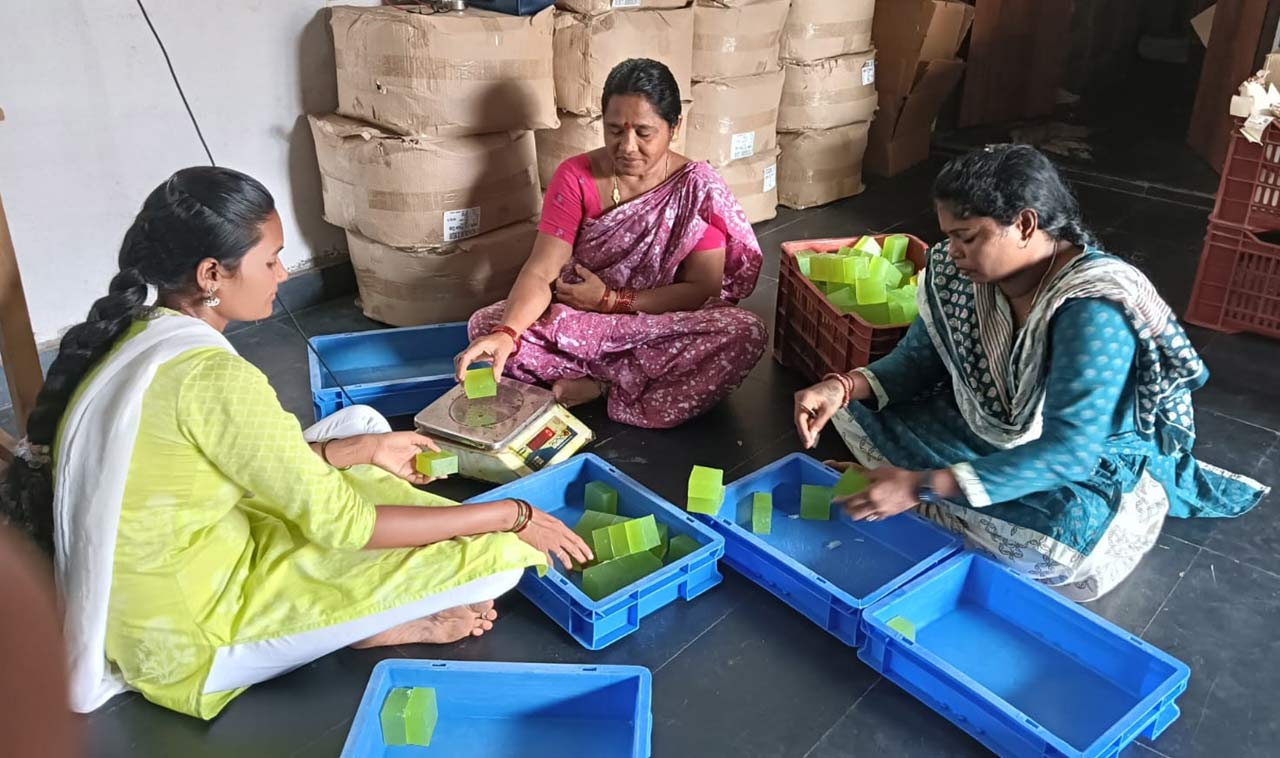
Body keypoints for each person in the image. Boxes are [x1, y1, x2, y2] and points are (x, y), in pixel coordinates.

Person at [0, 167, 591, 720]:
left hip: (189, 549)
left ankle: (356, 616)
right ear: (212, 275)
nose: (283, 276)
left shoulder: (141, 327)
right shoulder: (212, 378)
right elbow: (347, 528)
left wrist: (362, 453)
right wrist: (510, 516)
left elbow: (240, 458)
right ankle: (359, 629)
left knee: (359, 425)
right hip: (187, 630)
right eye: (272, 260)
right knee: (501, 566)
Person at [793, 145, 1268, 602]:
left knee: (1062, 535)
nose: (952, 252)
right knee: (852, 410)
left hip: (1078, 459)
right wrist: (842, 386)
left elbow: (1069, 452)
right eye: (950, 235)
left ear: (1024, 224)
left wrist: (918, 486)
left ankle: (919, 496)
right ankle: (928, 496)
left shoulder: (1090, 309)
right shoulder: (958, 275)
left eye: (968, 237)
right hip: (987, 424)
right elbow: (917, 361)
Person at [457, 58, 767, 429]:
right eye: (615, 130)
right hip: (581, 322)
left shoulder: (695, 188)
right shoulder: (576, 176)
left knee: (743, 333)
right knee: (486, 325)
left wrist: (613, 301)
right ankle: (622, 379)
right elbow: (542, 271)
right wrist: (506, 334)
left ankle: (602, 386)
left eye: (644, 132)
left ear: (675, 127)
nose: (628, 146)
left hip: (656, 325)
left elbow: (702, 290)